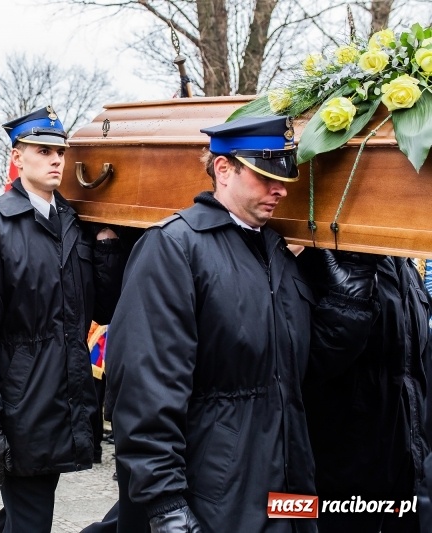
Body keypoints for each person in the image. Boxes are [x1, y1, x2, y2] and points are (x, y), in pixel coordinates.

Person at [102, 116, 317, 533]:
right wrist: (164, 505)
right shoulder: (175, 247)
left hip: (288, 487)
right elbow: (145, 387)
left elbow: (306, 367)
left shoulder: (278, 254)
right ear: (223, 169)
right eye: (265, 175)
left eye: (285, 175)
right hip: (214, 492)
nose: (282, 189)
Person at [0, 105, 124, 533]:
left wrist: (108, 249)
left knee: (24, 516)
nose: (56, 160)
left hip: (64, 398)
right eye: (43, 150)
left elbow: (102, 310)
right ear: (17, 157)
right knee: (30, 519)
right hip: (19, 404)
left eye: (60, 151)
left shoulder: (76, 225)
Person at [298, 250, 431, 532]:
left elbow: (416, 374)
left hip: (405, 483)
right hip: (338, 491)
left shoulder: (405, 263)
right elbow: (298, 369)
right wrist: (348, 301)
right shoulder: (313, 257)